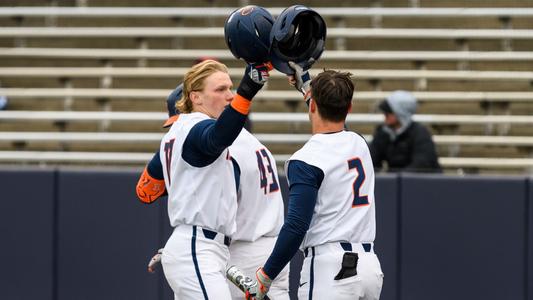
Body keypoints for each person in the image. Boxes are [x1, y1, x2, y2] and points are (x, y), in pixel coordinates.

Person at [138, 78, 290, 299]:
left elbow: (147, 191)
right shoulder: (254, 143)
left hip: (241, 250)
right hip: (273, 250)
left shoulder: (218, 146)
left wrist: (189, 244)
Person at [250, 65, 384, 300]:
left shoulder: (305, 159)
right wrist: (306, 86)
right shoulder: (359, 143)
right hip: (370, 268)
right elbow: (335, 122)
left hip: (331, 269)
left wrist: (266, 275)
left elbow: (296, 226)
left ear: (312, 106)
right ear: (349, 108)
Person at [369, 90, 441, 173]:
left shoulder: (420, 133)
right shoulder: (383, 133)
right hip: (397, 183)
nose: (385, 115)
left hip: (426, 184)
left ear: (401, 113)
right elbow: (372, 161)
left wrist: (396, 180)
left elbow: (421, 166)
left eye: (389, 112)